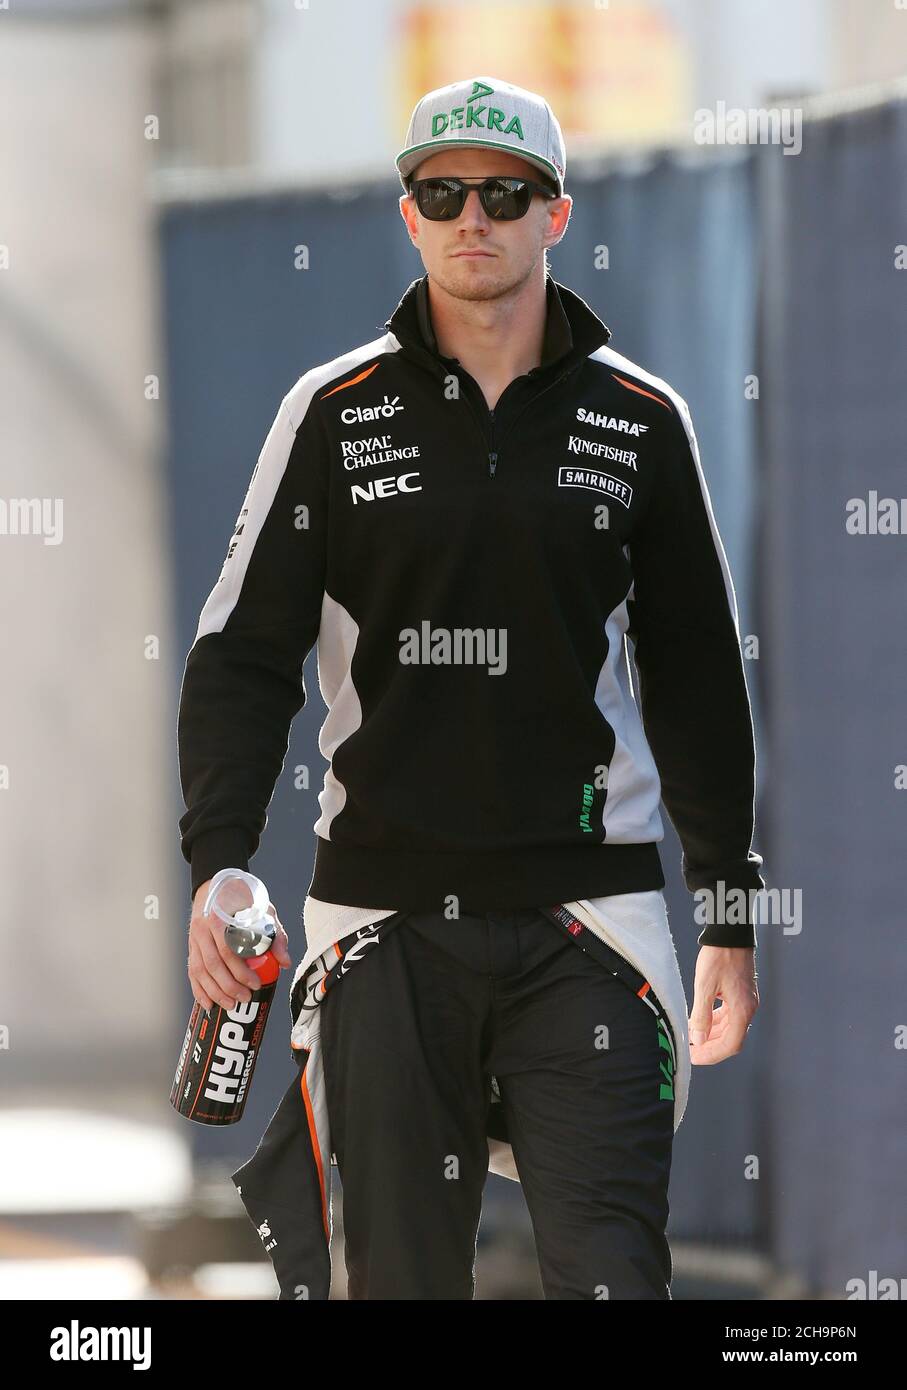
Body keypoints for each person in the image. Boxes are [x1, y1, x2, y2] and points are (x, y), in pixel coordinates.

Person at [178, 76, 763, 1301]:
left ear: (555, 215)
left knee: (613, 1277)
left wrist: (726, 909)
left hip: (593, 926)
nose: (471, 218)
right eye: (441, 193)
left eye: (504, 194)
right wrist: (221, 859)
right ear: (408, 214)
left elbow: (699, 677)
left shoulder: (641, 420)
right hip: (381, 928)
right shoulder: (331, 416)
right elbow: (240, 657)